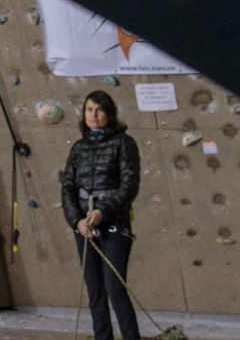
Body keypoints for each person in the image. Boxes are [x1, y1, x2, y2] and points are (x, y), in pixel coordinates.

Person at [61, 89, 141, 340]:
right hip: (84, 226)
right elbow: (68, 187)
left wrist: (102, 212)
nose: (94, 115)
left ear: (109, 113)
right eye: (89, 110)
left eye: (99, 110)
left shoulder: (123, 143)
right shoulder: (78, 148)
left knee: (114, 288)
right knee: (95, 290)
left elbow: (129, 186)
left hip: (113, 224)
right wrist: (77, 220)